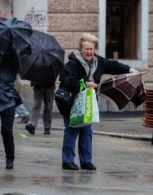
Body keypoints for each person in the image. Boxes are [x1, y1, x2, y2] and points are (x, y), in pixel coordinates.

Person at [59, 33, 138, 171]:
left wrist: (130, 70)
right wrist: (84, 84)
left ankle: (86, 161)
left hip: (88, 103)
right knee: (72, 131)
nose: (89, 52)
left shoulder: (98, 61)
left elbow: (113, 66)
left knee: (87, 131)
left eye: (92, 49)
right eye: (86, 49)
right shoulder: (72, 64)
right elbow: (67, 81)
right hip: (72, 103)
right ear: (81, 49)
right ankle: (67, 161)